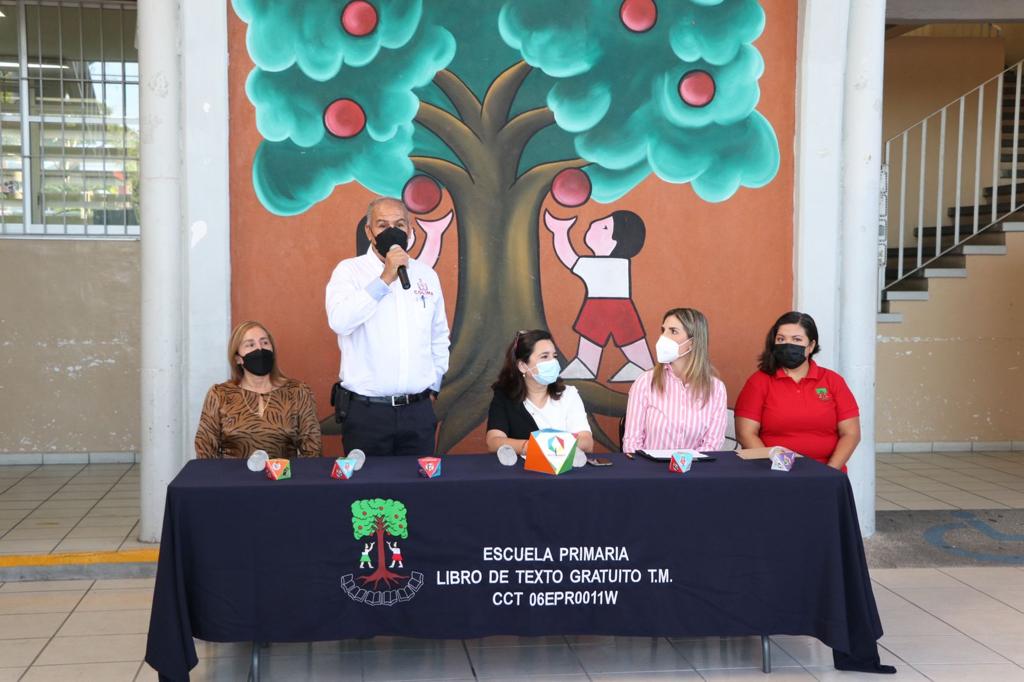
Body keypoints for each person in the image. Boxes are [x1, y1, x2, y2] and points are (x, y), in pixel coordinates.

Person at [325, 197, 450, 456]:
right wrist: (384, 279)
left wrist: (433, 385)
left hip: (417, 412)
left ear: (410, 230)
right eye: (382, 225)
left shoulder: (426, 275)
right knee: (368, 483)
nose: (392, 231)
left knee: (418, 482)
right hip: (367, 413)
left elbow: (438, 336)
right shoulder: (349, 272)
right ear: (369, 231)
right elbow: (340, 321)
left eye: (399, 224)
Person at [734, 311, 860, 470]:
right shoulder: (759, 382)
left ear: (811, 346)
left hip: (826, 472)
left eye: (796, 339)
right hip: (773, 471)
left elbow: (851, 433)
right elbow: (745, 434)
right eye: (781, 339)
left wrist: (829, 471)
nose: (788, 345)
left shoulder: (833, 381)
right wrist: (782, 468)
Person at [544, 209, 653, 382]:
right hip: (616, 308)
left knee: (604, 340)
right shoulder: (620, 263)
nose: (595, 224)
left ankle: (587, 365)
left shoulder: (597, 265)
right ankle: (640, 365)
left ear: (614, 244)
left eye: (605, 227)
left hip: (603, 308)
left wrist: (560, 232)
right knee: (629, 340)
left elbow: (569, 257)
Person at [194, 321, 321, 459]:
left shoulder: (297, 392)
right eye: (250, 345)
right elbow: (205, 451)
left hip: (284, 473)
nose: (260, 349)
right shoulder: (220, 394)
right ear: (237, 358)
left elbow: (312, 451)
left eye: (265, 342)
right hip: (231, 473)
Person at [621, 308, 727, 454]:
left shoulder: (716, 389)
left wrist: (682, 464)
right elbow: (631, 443)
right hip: (649, 467)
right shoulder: (645, 382)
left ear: (692, 343)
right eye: (663, 330)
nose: (663, 337)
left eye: (673, 331)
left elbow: (712, 445)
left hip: (696, 467)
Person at [485, 329, 594, 455]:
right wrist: (529, 447)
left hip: (564, 467)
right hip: (523, 467)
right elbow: (493, 441)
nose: (553, 362)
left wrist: (552, 449)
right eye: (544, 357)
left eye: (554, 356)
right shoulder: (505, 397)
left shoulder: (568, 394)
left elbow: (586, 442)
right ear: (522, 366)